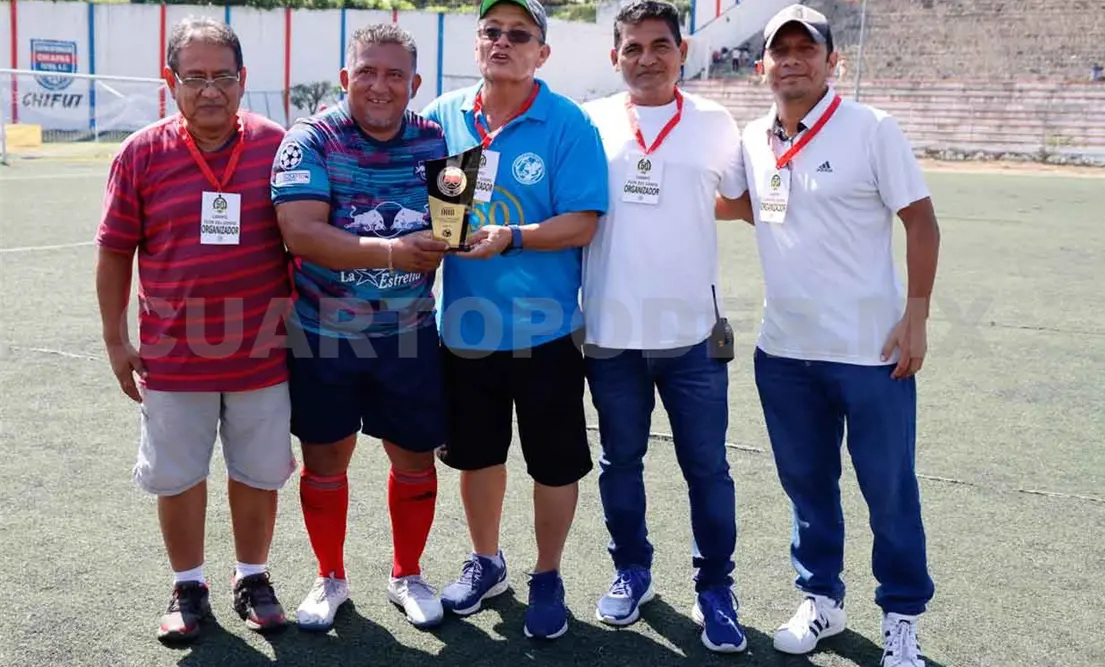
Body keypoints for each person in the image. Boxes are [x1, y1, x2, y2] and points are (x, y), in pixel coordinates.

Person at [736, 5, 941, 667]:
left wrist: (915, 315)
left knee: (887, 488)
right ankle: (820, 598)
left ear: (832, 61)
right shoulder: (751, 137)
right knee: (806, 485)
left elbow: (921, 222)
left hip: (870, 351)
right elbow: (745, 205)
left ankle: (901, 615)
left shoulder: (871, 129)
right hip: (784, 351)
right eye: (780, 51)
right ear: (761, 64)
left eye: (806, 49)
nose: (792, 59)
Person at [94, 16, 294, 643]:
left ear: (244, 80)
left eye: (224, 76)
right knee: (178, 476)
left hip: (263, 352)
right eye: (196, 77)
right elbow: (113, 250)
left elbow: (304, 243)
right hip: (173, 355)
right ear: (171, 81)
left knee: (259, 473)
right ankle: (188, 584)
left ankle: (253, 576)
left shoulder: (278, 145)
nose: (211, 89)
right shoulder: (141, 152)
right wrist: (115, 338)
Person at [420, 0, 609, 640]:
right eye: (492, 32)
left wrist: (514, 237)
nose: (503, 43)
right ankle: (486, 561)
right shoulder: (443, 115)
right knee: (477, 457)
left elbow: (583, 221)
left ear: (542, 53)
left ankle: (548, 574)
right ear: (477, 44)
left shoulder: (568, 122)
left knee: (553, 465)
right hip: (464, 331)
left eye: (519, 35)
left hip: (546, 332)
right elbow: (438, 207)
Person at [270, 23, 450, 631]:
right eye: (367, 72)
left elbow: (449, 230)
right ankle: (330, 576)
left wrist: (469, 239)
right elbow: (301, 233)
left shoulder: (438, 141)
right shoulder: (310, 140)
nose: (380, 85)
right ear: (346, 78)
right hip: (324, 333)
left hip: (409, 333)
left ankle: (407, 572)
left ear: (414, 83)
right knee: (325, 460)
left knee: (415, 459)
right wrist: (398, 251)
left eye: (394, 74)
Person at [579, 0, 747, 654]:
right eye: (632, 47)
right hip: (610, 334)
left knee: (706, 467)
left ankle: (716, 588)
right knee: (621, 460)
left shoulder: (714, 121)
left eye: (659, 45)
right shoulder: (589, 121)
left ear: (683, 51)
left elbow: (735, 200)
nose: (645, 58)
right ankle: (632, 570)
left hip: (692, 339)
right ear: (614, 56)